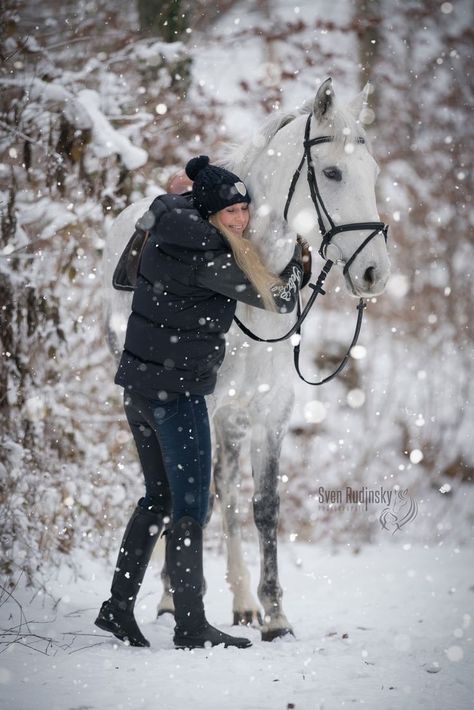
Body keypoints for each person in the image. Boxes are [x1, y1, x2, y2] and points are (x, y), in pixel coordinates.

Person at [95, 155, 304, 650]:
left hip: (140, 390)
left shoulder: (164, 229)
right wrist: (298, 263)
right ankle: (191, 626)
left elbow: (128, 279)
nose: (240, 219)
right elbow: (279, 299)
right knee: (191, 508)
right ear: (208, 213)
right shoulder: (209, 257)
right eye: (229, 211)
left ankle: (117, 608)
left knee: (156, 499)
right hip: (179, 397)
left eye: (244, 209)